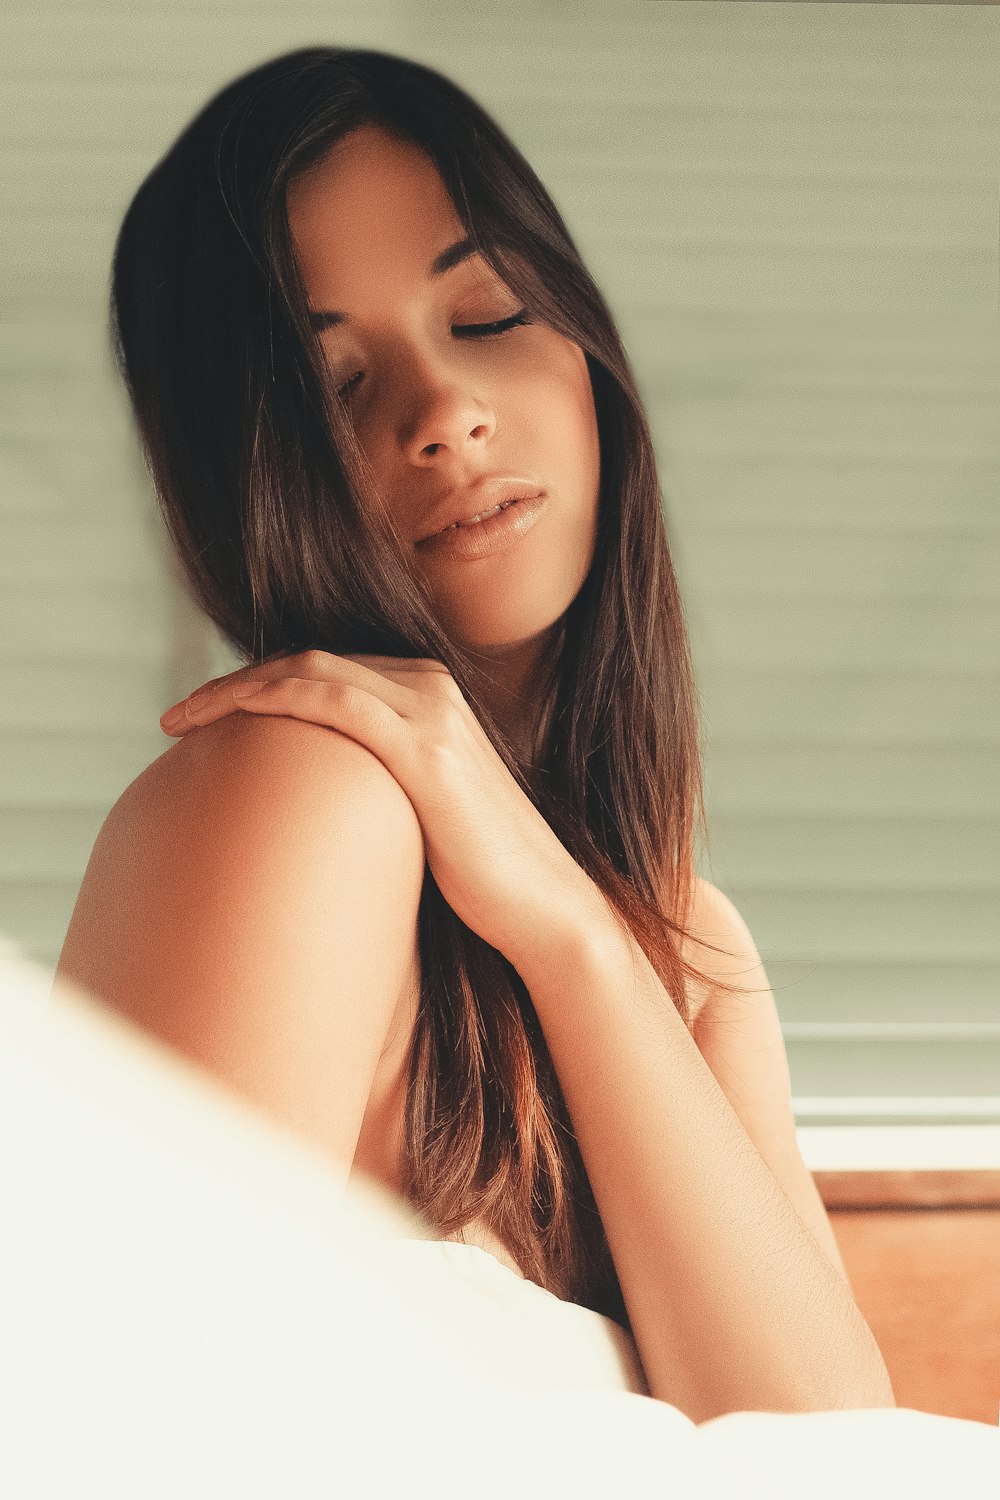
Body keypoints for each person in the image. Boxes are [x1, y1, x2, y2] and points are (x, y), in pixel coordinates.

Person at [55, 47, 894, 1422]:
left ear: (586, 347)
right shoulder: (301, 791)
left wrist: (568, 935)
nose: (445, 415)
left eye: (490, 312)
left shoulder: (682, 939)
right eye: (337, 384)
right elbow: (135, 1424)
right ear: (242, 478)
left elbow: (822, 1442)